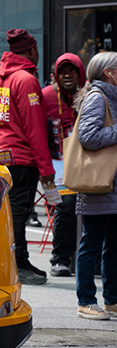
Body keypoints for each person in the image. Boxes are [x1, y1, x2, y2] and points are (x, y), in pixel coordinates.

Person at [0, 29, 55, 285]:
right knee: (18, 213)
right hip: (21, 157)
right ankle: (18, 264)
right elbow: (35, 128)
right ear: (30, 51)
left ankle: (17, 260)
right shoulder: (26, 80)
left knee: (10, 213)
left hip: (2, 154)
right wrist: (46, 169)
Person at [71, 51, 117, 320]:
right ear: (108, 73)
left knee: (112, 245)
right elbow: (88, 136)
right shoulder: (98, 98)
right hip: (99, 184)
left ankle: (111, 300)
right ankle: (86, 300)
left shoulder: (109, 97)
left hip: (111, 185)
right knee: (92, 244)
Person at [43, 53, 86, 277]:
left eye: (72, 71)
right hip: (56, 163)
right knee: (67, 204)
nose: (67, 75)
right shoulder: (46, 96)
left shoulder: (90, 94)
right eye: (63, 71)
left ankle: (91, 260)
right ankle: (60, 258)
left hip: (86, 162)